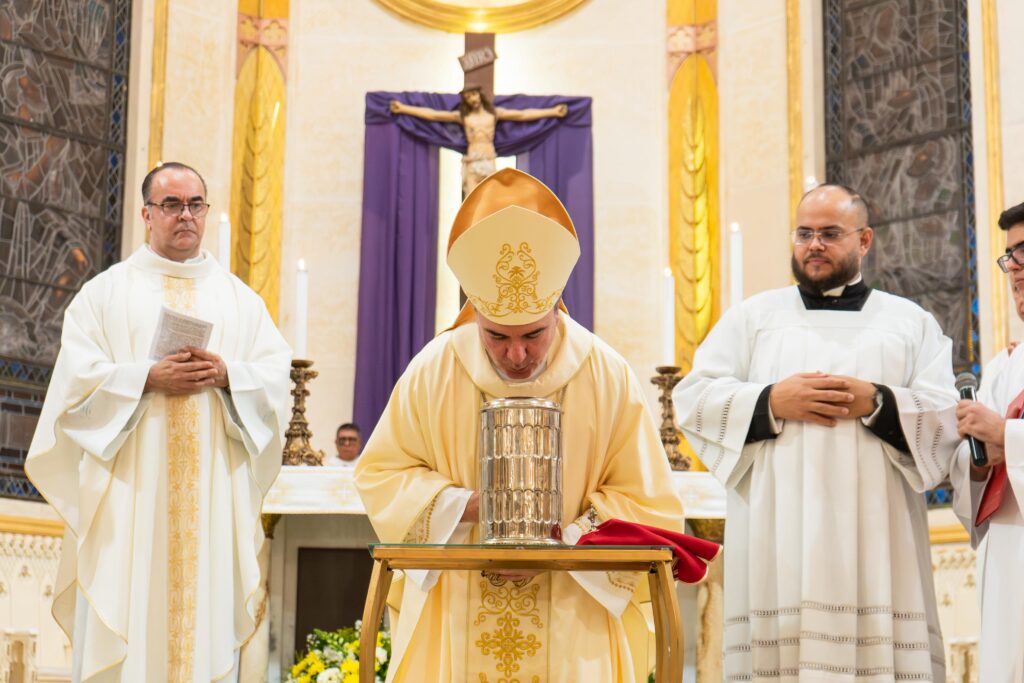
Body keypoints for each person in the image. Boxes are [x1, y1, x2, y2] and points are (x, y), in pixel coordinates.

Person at [355, 168, 683, 682]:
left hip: (574, 612)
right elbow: (382, 475)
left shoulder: (606, 373)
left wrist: (565, 542)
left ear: (556, 310)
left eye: (532, 335)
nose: (516, 355)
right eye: (496, 336)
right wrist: (470, 507)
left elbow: (648, 502)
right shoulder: (435, 369)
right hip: (458, 605)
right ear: (475, 315)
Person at [673, 184, 959, 680]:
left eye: (830, 233)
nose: (814, 245)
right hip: (778, 534)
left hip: (878, 535)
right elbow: (694, 399)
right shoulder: (753, 318)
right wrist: (769, 402)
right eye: (804, 233)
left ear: (864, 240)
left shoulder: (909, 323)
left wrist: (879, 402)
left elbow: (946, 417)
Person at [25, 162, 292, 682]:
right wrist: (145, 378)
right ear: (147, 214)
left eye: (195, 204)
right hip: (131, 497)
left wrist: (229, 375)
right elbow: (73, 390)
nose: (185, 215)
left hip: (211, 498)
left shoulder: (241, 301)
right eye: (171, 204)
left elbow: (274, 381)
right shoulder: (104, 295)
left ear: (206, 212)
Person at [950, 201, 1024, 680]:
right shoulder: (1004, 368)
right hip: (1009, 563)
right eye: (1009, 256)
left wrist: (1006, 436)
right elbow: (972, 470)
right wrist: (977, 461)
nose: (1014, 267)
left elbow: (1001, 437)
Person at [389, 87, 568, 195]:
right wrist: (403, 108)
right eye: (468, 97)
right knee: (472, 201)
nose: (472, 99)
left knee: (490, 198)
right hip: (472, 161)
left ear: (479, 95)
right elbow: (434, 115)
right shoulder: (463, 116)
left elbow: (522, 115)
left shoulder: (494, 114)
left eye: (473, 95)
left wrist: (552, 112)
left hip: (489, 159)